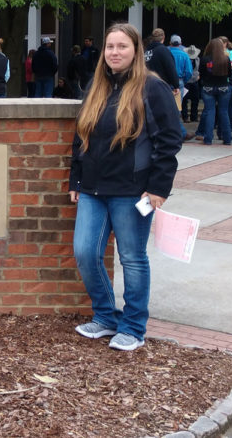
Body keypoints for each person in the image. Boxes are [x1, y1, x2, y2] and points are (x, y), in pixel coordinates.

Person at [70, 22, 183, 352]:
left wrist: (159, 187)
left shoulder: (152, 87)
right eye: (109, 47)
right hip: (93, 188)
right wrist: (76, 179)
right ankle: (106, 317)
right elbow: (81, 136)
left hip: (133, 190)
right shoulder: (97, 86)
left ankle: (133, 327)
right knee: (86, 252)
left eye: (122, 46)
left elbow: (170, 139)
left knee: (132, 258)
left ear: (136, 51)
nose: (114, 52)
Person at [197, 38, 232, 145]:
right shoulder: (226, 59)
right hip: (223, 87)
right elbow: (230, 74)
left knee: (210, 112)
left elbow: (201, 74)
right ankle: (227, 139)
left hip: (208, 87)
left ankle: (208, 138)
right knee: (224, 112)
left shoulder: (205, 59)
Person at [181, 45, 200, 122]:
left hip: (195, 80)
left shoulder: (198, 59)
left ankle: (194, 116)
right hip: (186, 81)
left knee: (195, 99)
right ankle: (185, 117)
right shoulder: (185, 58)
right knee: (184, 100)